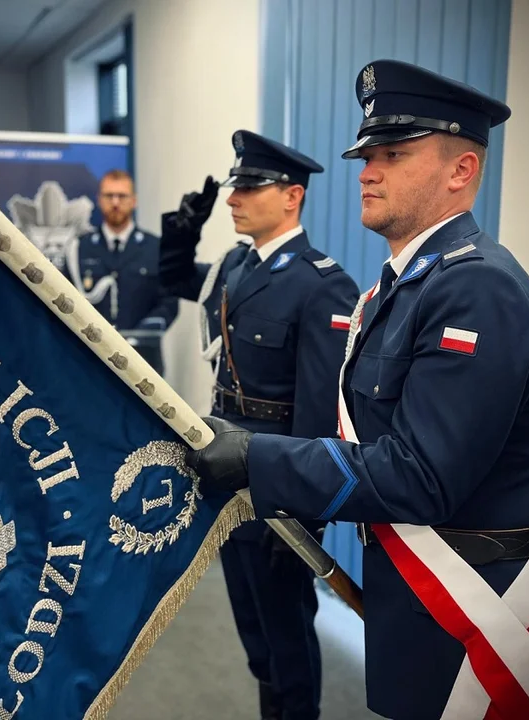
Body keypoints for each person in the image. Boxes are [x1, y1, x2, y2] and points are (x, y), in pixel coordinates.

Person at [183, 61, 529, 720]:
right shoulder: (402, 286)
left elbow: (421, 475)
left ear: (459, 171)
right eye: (366, 156)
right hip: (423, 601)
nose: (366, 171)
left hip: (480, 613)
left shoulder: (477, 288)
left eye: (392, 155)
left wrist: (254, 456)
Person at [160, 130, 360, 720]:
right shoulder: (236, 266)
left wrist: (302, 510)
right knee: (254, 634)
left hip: (278, 493)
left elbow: (322, 413)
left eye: (250, 186)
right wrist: (181, 229)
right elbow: (172, 281)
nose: (233, 198)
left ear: (291, 196)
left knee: (288, 636)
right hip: (230, 485)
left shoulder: (322, 284)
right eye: (234, 186)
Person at [67, 169, 178, 375]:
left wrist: (138, 336)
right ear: (100, 200)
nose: (115, 202)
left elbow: (169, 304)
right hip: (91, 361)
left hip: (143, 362)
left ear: (133, 201)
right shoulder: (79, 249)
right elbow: (67, 299)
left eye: (122, 196)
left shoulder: (156, 248)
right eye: (109, 196)